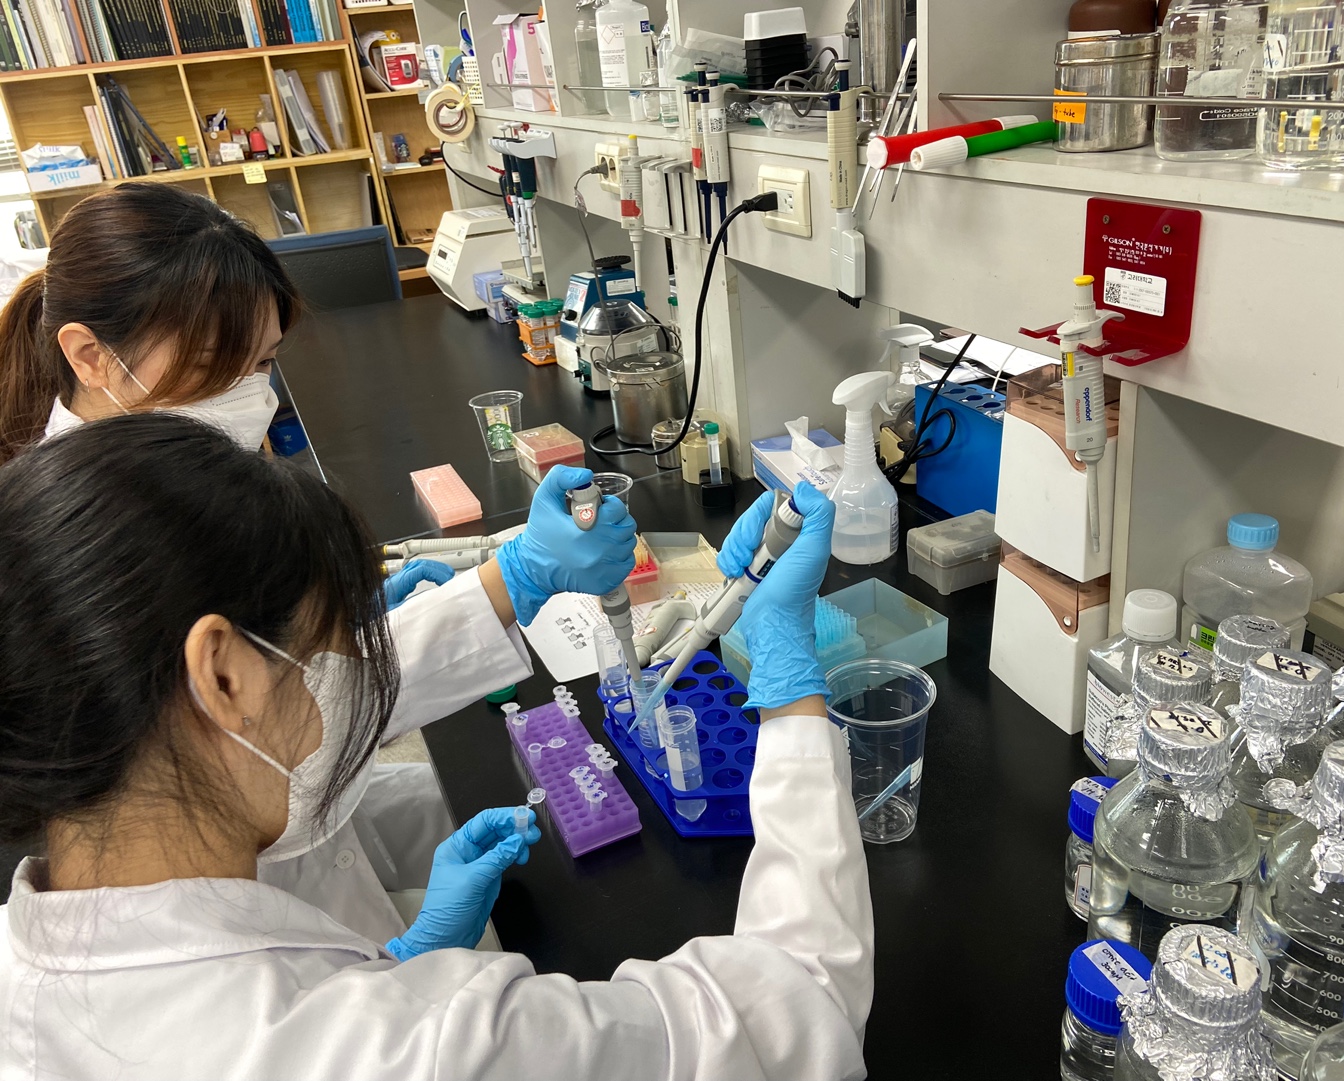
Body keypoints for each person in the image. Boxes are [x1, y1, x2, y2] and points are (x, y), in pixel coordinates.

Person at [0, 415, 872, 1080]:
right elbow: (798, 1008)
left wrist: (393, 960)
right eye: (325, 654)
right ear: (222, 676)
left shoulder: (35, 969)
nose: (336, 697)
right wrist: (789, 677)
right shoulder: (421, 1047)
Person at [0, 183, 641, 947]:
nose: (253, 396)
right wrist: (515, 579)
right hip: (244, 911)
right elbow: (296, 729)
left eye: (263, 361)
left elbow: (285, 700)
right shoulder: (87, 543)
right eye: (213, 363)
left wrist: (329, 625)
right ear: (89, 356)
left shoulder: (157, 480)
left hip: (305, 840)